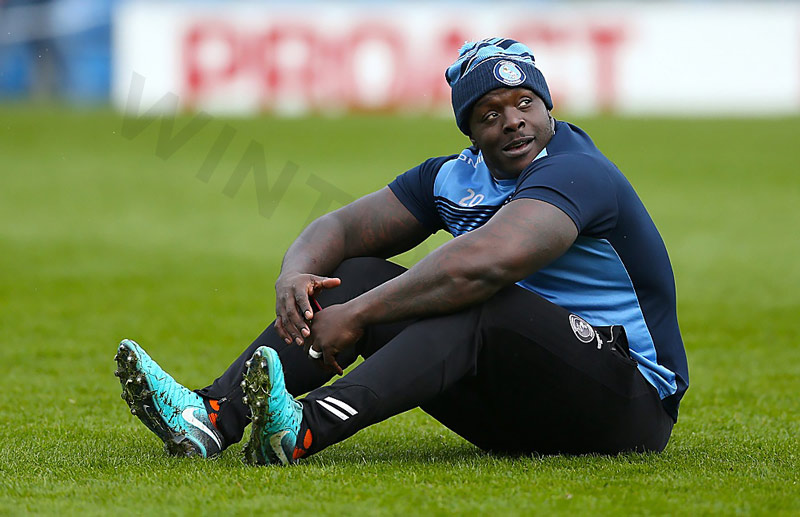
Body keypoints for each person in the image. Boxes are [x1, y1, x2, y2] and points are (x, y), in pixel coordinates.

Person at [114, 38, 688, 464]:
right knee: (354, 273)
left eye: (525, 104)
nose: (513, 122)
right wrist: (296, 273)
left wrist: (358, 317)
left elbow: (486, 263)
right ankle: (212, 415)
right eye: (490, 113)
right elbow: (340, 227)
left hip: (628, 409)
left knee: (474, 296)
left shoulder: (577, 171)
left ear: (548, 107)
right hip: (526, 411)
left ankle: (303, 427)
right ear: (469, 130)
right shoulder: (452, 179)